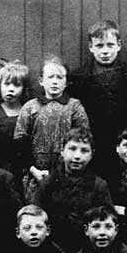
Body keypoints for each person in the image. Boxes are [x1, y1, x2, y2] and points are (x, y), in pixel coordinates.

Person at [14, 55, 90, 201]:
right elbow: (19, 142)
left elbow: (83, 137)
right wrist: (32, 169)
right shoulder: (30, 107)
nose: (55, 81)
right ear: (41, 81)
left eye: (60, 77)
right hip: (35, 173)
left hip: (67, 173)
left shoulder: (74, 106)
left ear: (66, 82)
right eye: (50, 77)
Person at [69, 20, 127, 176]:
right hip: (92, 138)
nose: (105, 51)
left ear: (119, 45)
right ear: (91, 47)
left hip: (122, 138)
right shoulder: (80, 76)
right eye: (99, 46)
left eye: (110, 45)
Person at [33, 127, 113, 253]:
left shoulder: (99, 186)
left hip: (87, 252)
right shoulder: (48, 183)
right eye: (72, 149)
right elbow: (36, 217)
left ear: (92, 155)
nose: (77, 156)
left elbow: (106, 221)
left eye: (84, 151)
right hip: (51, 249)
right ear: (62, 151)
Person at [0, 60, 31, 174]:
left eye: (17, 85)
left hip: (24, 168)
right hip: (0, 169)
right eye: (6, 84)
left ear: (24, 88)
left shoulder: (29, 112)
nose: (11, 89)